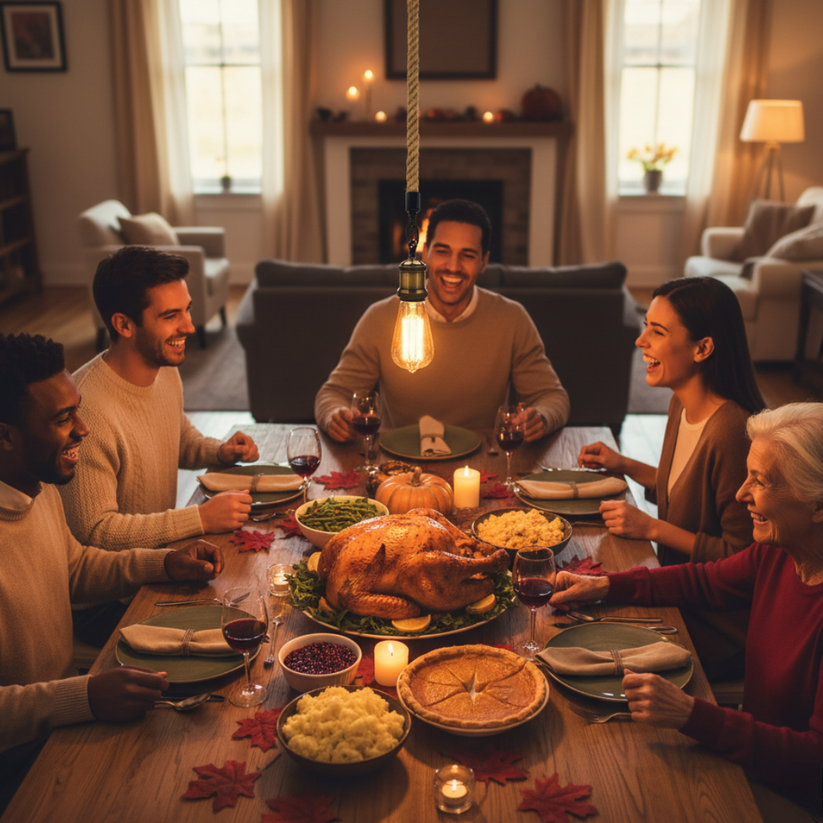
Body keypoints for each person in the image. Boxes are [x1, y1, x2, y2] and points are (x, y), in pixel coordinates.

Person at [551, 402, 823, 820]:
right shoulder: (781, 552)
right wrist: (604, 586)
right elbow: (704, 580)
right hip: (748, 752)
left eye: (761, 481)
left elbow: (813, 761)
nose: (741, 493)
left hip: (788, 796)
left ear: (818, 506)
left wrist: (692, 714)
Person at [0, 333, 224, 810]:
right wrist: (81, 698)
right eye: (63, 419)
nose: (83, 429)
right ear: (5, 436)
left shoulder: (34, 487)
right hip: (18, 757)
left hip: (66, 708)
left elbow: (75, 567)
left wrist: (163, 562)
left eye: (77, 409)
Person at [577, 276, 765, 679]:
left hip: (714, 624)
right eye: (646, 326)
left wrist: (652, 528)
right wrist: (623, 464)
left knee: (584, 634)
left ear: (703, 348)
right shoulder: (681, 405)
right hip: (676, 591)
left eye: (657, 331)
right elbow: (683, 490)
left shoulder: (731, 431)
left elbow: (742, 560)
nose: (640, 341)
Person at [314, 199, 570, 443]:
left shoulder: (512, 319)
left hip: (480, 463)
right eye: (442, 251)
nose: (453, 266)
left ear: (484, 262)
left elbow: (551, 397)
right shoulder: (380, 317)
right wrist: (335, 416)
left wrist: (541, 418)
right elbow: (333, 395)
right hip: (396, 462)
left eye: (468, 255)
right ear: (425, 253)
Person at [59, 244, 259, 553]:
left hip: (165, 560)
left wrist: (221, 451)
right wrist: (199, 519)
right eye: (170, 316)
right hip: (119, 595)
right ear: (123, 324)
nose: (189, 326)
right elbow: (95, 532)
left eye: (187, 309)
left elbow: (177, 438)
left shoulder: (163, 368)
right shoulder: (89, 413)